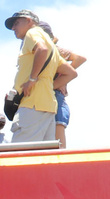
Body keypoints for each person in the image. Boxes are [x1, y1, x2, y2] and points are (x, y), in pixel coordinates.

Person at [4, 10, 75, 144]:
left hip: (32, 105)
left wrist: (32, 80)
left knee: (21, 152)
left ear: (29, 21)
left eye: (17, 23)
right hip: (48, 107)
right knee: (43, 153)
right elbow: (71, 73)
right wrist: (47, 87)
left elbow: (41, 49)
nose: (13, 28)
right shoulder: (51, 45)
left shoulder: (32, 32)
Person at [39, 20, 87, 149]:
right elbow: (79, 59)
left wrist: (59, 78)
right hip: (52, 95)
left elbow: (80, 58)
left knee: (57, 142)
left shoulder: (52, 50)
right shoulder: (51, 49)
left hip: (54, 95)